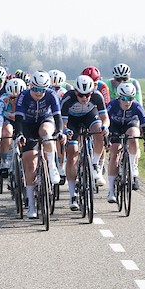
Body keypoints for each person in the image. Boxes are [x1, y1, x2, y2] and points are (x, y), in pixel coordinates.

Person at [14, 71, 65, 219]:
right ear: (30, 86)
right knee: (30, 162)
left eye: (42, 90)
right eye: (35, 89)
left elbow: (57, 117)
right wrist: (20, 135)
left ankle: (52, 167)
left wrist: (60, 131)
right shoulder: (23, 96)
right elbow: (18, 119)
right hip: (27, 125)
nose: (38, 93)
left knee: (46, 133)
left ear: (47, 88)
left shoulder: (51, 95)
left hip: (45, 120)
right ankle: (31, 204)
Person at [60, 75, 110, 210]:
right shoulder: (68, 98)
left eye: (87, 95)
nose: (84, 98)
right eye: (81, 95)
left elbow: (105, 118)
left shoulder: (97, 97)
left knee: (99, 130)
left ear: (91, 93)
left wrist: (105, 127)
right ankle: (72, 195)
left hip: (89, 116)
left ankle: (94, 164)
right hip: (71, 121)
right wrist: (66, 132)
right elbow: (63, 124)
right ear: (75, 92)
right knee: (73, 154)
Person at [106, 82, 145, 202]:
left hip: (130, 125)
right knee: (114, 153)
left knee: (134, 137)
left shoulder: (136, 106)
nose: (127, 102)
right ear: (119, 98)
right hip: (115, 126)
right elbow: (104, 121)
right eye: (124, 99)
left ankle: (132, 167)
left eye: (130, 98)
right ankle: (111, 191)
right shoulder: (112, 105)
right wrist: (106, 140)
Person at [0, 77, 26, 175]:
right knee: (7, 131)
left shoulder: (27, 99)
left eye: (18, 97)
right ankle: (5, 160)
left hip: (23, 121)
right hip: (8, 121)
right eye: (12, 98)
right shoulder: (3, 100)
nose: (15, 100)